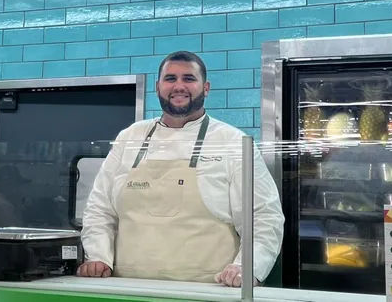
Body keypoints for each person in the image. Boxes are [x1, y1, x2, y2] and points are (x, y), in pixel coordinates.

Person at [77, 50, 284, 287]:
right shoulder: (130, 138)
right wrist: (99, 256)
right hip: (128, 287)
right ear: (157, 86)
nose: (179, 86)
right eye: (170, 79)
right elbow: (99, 209)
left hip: (207, 289)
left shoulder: (232, 141)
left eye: (188, 78)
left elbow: (264, 216)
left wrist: (247, 267)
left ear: (205, 88)